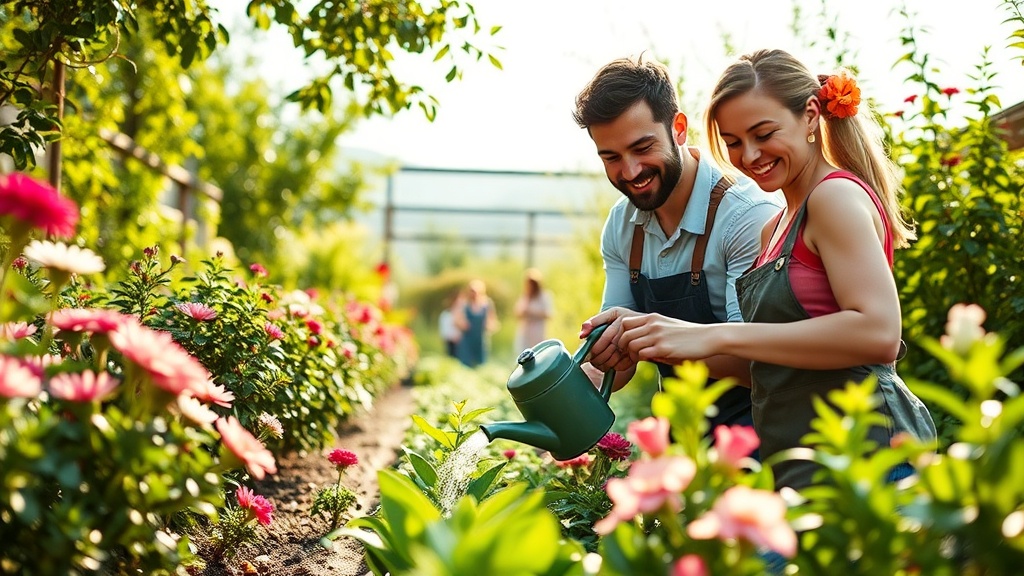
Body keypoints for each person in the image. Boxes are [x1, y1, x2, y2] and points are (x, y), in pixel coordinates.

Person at [584, 48, 936, 491]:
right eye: (732, 142)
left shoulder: (833, 197)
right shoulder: (777, 223)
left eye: (763, 134)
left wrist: (707, 335)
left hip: (870, 454)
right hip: (807, 456)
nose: (748, 156)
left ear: (811, 117)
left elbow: (879, 334)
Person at [573, 56, 783, 435]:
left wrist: (652, 339)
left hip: (763, 431)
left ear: (679, 128)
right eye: (611, 157)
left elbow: (761, 364)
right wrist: (574, 384)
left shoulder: (746, 217)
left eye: (642, 147)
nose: (631, 171)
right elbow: (619, 364)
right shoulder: (623, 225)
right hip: (683, 432)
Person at [453, 279, 500, 367]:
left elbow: (493, 321)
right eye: (471, 291)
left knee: (481, 364)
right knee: (466, 364)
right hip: (467, 339)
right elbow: (456, 320)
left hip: (481, 339)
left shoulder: (487, 304)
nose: (473, 294)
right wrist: (462, 324)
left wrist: (489, 325)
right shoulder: (464, 304)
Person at [513, 268, 554, 352]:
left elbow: (549, 314)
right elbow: (517, 313)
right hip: (525, 331)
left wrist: (533, 313)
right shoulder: (525, 297)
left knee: (537, 352)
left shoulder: (544, 297)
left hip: (538, 331)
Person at [438, 290, 463, 358]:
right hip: (451, 342)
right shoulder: (446, 314)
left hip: (462, 342)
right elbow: (444, 330)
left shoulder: (463, 314)